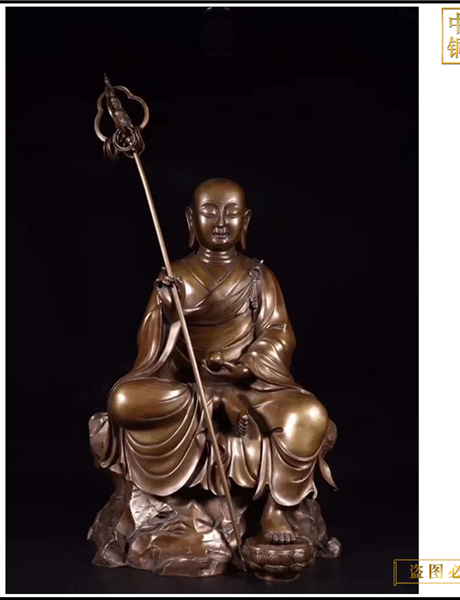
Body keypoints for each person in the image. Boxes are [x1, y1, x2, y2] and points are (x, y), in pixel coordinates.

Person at [90, 178, 336, 544]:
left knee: (310, 413)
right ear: (191, 220)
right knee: (123, 400)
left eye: (231, 213)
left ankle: (275, 510)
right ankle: (215, 400)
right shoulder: (173, 276)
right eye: (210, 212)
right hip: (187, 389)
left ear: (246, 221)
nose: (221, 222)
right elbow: (151, 353)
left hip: (250, 390)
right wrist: (169, 318)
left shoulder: (258, 276)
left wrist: (248, 365)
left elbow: (279, 334)